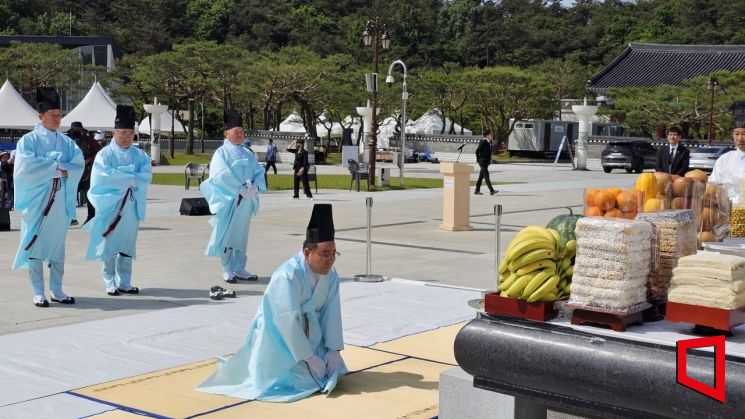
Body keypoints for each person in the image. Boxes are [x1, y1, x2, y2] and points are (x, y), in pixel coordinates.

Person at [197, 203, 347, 401]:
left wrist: (333, 349)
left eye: (333, 253)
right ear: (307, 252)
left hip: (312, 334)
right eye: (324, 254)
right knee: (292, 383)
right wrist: (307, 356)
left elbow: (332, 311)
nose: (329, 260)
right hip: (277, 335)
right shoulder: (287, 276)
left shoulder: (331, 274)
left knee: (333, 372)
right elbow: (286, 320)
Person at [12, 87, 84, 307]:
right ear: (40, 116)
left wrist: (60, 167)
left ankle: (57, 289)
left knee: (57, 248)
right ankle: (38, 291)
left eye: (59, 114)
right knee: (35, 244)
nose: (57, 118)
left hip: (59, 204)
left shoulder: (67, 142)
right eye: (52, 114)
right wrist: (57, 166)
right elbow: (26, 166)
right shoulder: (28, 140)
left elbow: (78, 164)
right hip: (37, 203)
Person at [83, 105, 152, 296]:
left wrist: (124, 177)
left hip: (131, 206)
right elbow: (103, 177)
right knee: (109, 244)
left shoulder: (140, 155)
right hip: (111, 205)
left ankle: (125, 281)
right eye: (123, 132)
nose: (127, 136)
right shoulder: (105, 154)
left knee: (128, 244)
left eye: (131, 133)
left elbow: (145, 176)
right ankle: (109, 281)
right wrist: (130, 178)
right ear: (114, 132)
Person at [201, 109, 267, 284]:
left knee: (241, 235)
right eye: (236, 131)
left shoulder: (247, 153)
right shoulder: (221, 153)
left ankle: (239, 267)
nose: (239, 133)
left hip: (247, 199)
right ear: (226, 133)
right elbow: (220, 175)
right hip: (231, 199)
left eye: (242, 131)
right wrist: (238, 189)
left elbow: (259, 171)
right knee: (227, 234)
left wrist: (255, 187)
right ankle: (227, 268)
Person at [67, 121, 102, 225]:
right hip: (73, 172)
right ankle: (71, 217)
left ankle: (91, 217)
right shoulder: (68, 141)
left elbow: (99, 151)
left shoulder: (89, 140)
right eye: (75, 131)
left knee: (89, 195)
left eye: (79, 130)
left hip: (87, 172)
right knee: (70, 195)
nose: (77, 132)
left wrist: (90, 160)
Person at [709, 121, 745, 201]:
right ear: (732, 135)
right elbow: (713, 185)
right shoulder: (724, 160)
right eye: (736, 134)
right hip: (727, 208)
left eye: (744, 134)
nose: (740, 138)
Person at [475, 129, 497, 195]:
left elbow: (489, 153)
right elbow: (477, 151)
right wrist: (478, 160)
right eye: (490, 134)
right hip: (482, 162)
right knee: (486, 175)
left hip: (486, 162)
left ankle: (477, 190)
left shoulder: (489, 142)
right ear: (487, 135)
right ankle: (491, 190)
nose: (491, 135)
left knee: (481, 177)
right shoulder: (483, 142)